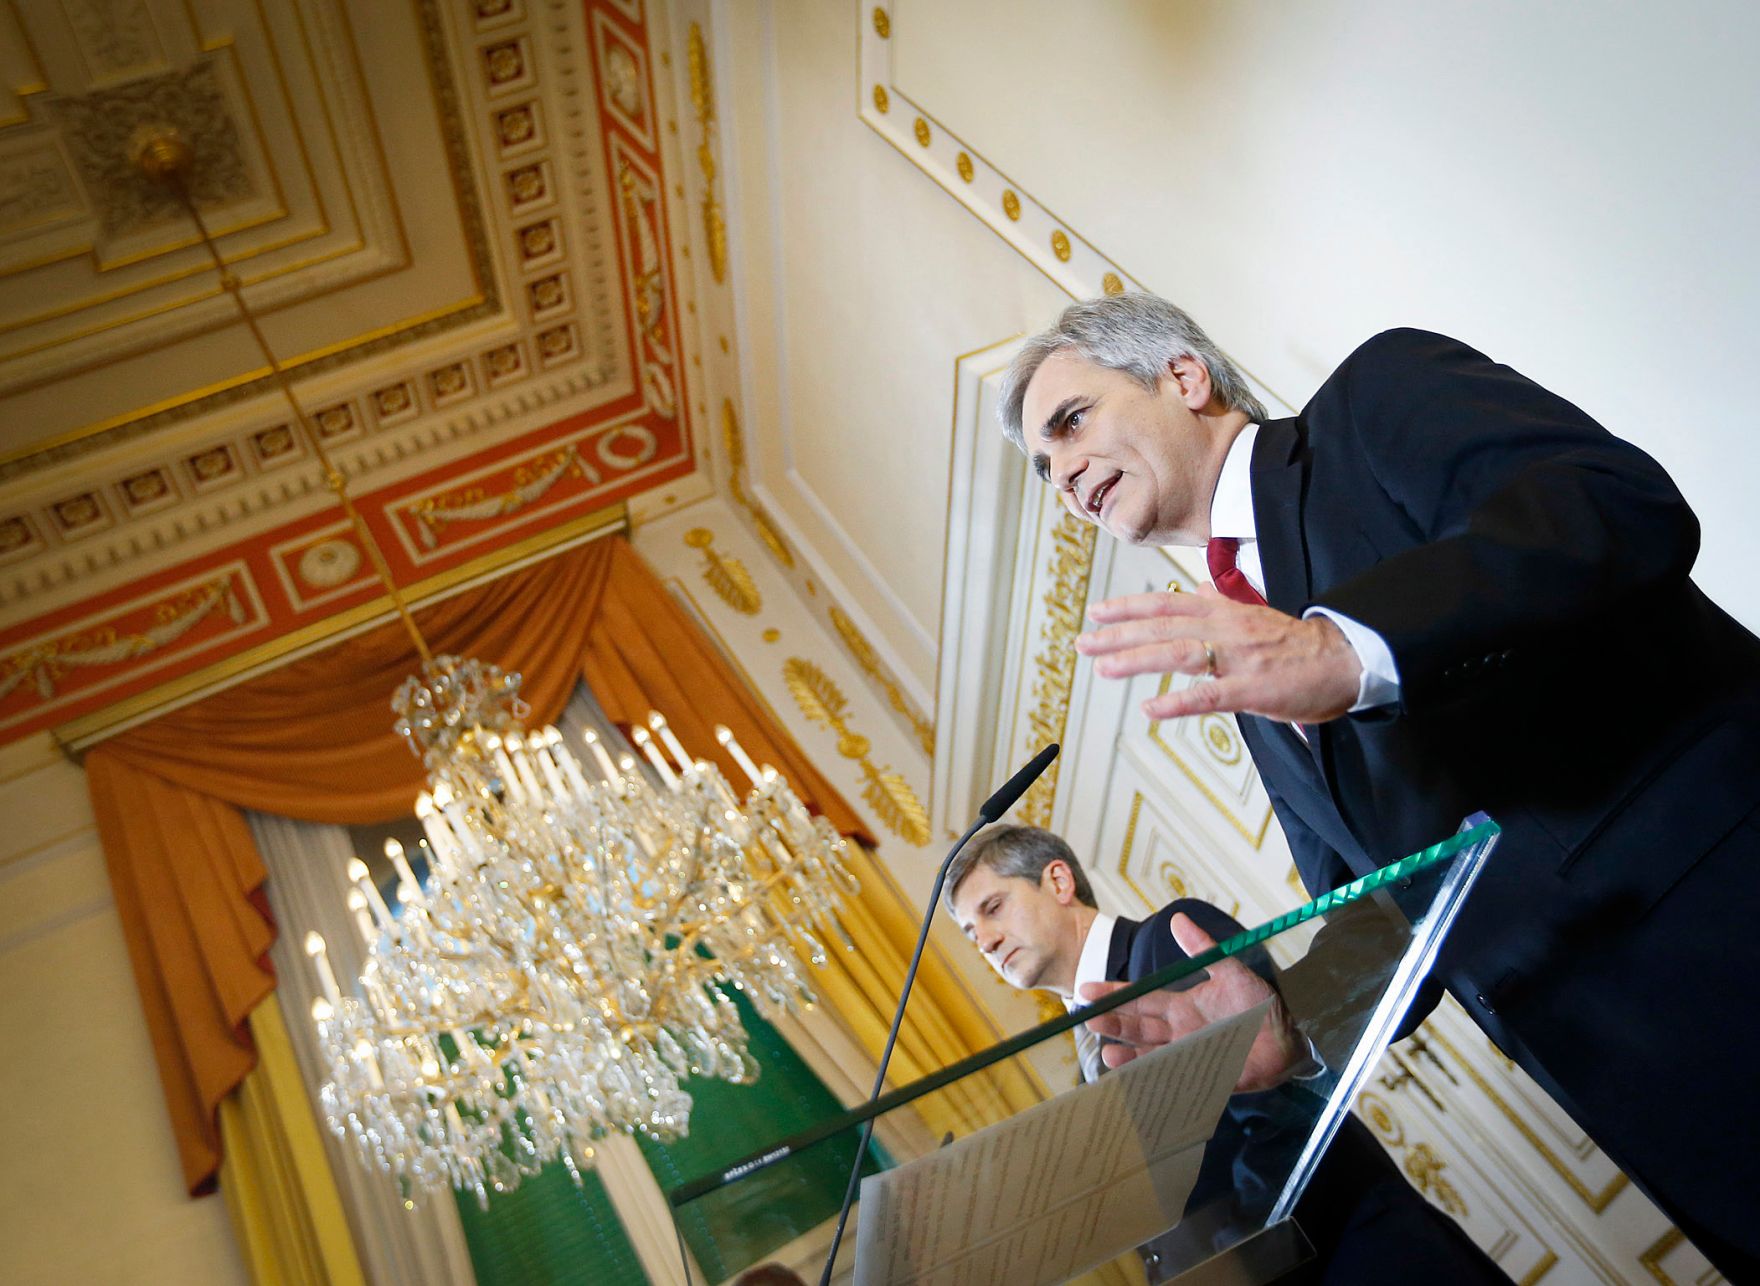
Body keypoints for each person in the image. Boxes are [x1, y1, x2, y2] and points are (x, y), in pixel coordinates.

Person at [998, 293, 1760, 1277]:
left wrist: (1350, 649)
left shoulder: (1371, 404)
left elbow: (1615, 505)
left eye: (1070, 422)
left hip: (1720, 914)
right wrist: (1291, 1029)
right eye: (1042, 466)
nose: (1061, 475)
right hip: (1621, 1074)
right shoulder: (1250, 677)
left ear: (1183, 376)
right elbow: (1382, 913)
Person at [945, 823, 1509, 1285]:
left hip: (1359, 1254)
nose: (985, 941)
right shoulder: (1086, 1070)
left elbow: (1281, 1117)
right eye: (971, 933)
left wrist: (1234, 1266)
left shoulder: (1166, 943)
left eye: (993, 907)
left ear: (1058, 880)